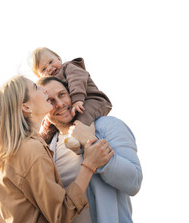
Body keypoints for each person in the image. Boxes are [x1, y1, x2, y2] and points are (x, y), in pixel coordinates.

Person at [0, 75, 114, 222]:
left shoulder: (11, 155)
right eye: (36, 88)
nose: (44, 90)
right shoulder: (32, 151)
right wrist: (89, 164)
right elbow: (60, 215)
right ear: (26, 107)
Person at [37, 76, 143, 223]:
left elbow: (134, 182)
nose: (60, 104)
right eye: (50, 100)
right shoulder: (47, 149)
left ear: (72, 94)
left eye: (62, 95)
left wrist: (92, 146)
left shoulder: (108, 126)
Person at [31, 47, 112, 154]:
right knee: (51, 124)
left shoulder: (69, 67)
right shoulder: (51, 84)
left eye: (51, 62)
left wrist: (77, 100)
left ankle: (85, 143)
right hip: (76, 104)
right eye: (43, 69)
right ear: (39, 76)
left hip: (92, 100)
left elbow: (77, 81)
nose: (50, 68)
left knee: (83, 119)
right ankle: (41, 141)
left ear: (58, 58)